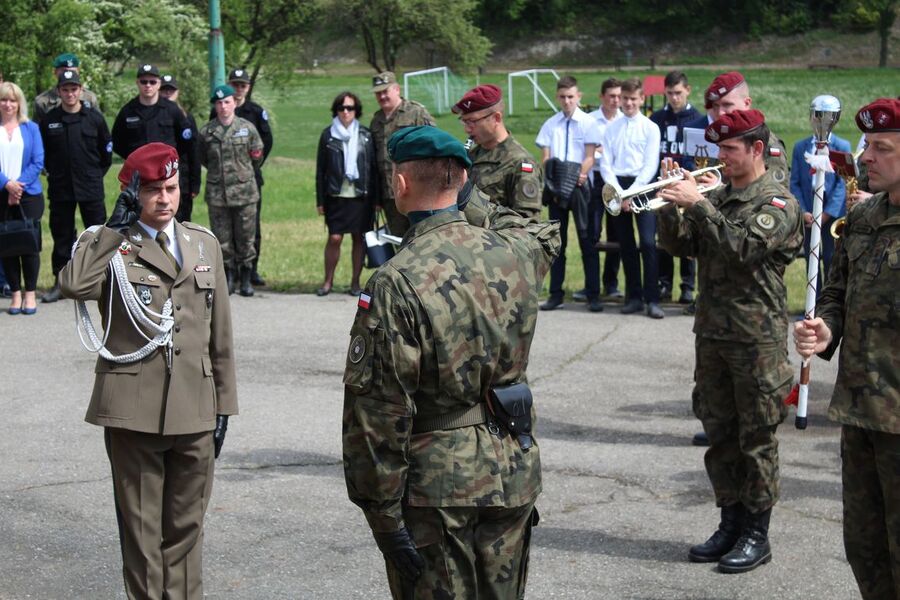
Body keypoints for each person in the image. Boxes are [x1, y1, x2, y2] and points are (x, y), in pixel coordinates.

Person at [343, 124, 559, 599]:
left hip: (440, 487)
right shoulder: (516, 253)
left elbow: (377, 412)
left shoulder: (396, 280)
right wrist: (468, 195)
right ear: (463, 180)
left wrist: (381, 513)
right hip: (512, 465)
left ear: (400, 184)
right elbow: (538, 231)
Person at [59, 142, 237, 600]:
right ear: (132, 194)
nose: (164, 198)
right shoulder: (110, 246)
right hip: (134, 413)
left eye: (172, 188)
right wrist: (111, 231)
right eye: (153, 190)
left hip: (196, 410)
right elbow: (73, 285)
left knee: (186, 532)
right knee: (142, 537)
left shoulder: (204, 244)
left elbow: (220, 336)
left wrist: (224, 407)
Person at [657, 109, 803, 573]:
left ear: (757, 150)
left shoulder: (777, 203)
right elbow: (683, 247)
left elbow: (742, 249)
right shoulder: (717, 195)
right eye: (718, 149)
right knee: (720, 434)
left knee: (755, 437)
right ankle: (729, 522)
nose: (720, 157)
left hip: (756, 339)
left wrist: (697, 204)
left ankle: (756, 533)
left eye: (729, 149)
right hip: (713, 335)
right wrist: (669, 206)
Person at [793, 98, 900, 599]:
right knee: (864, 546)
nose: (867, 158)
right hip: (859, 412)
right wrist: (826, 329)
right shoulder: (863, 218)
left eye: (882, 148)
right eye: (867, 147)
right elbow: (836, 292)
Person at [39, 70, 112, 304]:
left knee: (98, 234)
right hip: (61, 186)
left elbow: (106, 154)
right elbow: (44, 156)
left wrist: (93, 174)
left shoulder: (95, 118)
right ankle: (61, 283)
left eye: (74, 89)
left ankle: (101, 280)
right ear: (59, 92)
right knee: (62, 235)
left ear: (81, 91)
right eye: (65, 89)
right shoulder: (49, 120)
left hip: (90, 185)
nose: (70, 93)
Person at [598, 78, 665, 319]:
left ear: (641, 99)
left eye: (633, 99)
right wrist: (618, 192)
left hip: (642, 186)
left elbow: (650, 165)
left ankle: (652, 298)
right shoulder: (611, 129)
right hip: (617, 186)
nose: (628, 103)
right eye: (624, 99)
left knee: (647, 243)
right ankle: (633, 296)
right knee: (626, 245)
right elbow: (605, 164)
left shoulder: (650, 128)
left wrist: (632, 193)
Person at [536, 75, 603, 312]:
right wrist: (554, 177)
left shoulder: (588, 123)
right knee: (557, 241)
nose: (567, 101)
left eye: (571, 97)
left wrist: (574, 176)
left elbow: (589, 156)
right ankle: (556, 294)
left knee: (587, 240)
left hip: (580, 186)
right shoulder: (550, 124)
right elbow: (546, 157)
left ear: (579, 97)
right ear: (558, 97)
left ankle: (593, 294)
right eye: (563, 97)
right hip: (557, 189)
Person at [198, 84, 264, 297]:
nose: (223, 106)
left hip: (245, 193)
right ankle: (228, 276)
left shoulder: (247, 128)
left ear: (234, 103)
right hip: (219, 194)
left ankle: (246, 277)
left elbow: (256, 156)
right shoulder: (207, 131)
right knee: (222, 239)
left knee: (246, 238)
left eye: (227, 102)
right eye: (219, 103)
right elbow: (203, 159)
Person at [315, 91, 376, 296]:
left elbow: (373, 168)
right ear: (336, 111)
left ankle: (355, 284)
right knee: (334, 238)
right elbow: (320, 170)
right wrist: (320, 200)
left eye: (350, 108)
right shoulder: (328, 135)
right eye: (341, 108)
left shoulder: (366, 135)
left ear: (356, 111)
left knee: (359, 238)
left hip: (361, 196)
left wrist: (376, 199)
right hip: (335, 195)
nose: (346, 112)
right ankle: (327, 282)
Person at [216, 68, 274, 286]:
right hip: (223, 180)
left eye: (243, 85)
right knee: (227, 228)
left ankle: (251, 270)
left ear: (248, 88)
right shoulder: (220, 111)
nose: (238, 89)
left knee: (251, 227)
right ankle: (231, 271)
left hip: (250, 178)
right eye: (235, 84)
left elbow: (266, 142)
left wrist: (250, 165)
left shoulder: (256, 112)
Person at [452, 84, 542, 217]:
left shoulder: (520, 163)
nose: (467, 129)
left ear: (496, 118)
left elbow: (527, 224)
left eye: (472, 121)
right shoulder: (470, 156)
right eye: (464, 122)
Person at [650, 71, 700, 305]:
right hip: (662, 184)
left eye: (678, 92)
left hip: (687, 183)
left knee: (688, 234)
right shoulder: (657, 118)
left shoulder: (697, 120)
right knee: (665, 235)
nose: (674, 97)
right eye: (669, 93)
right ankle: (664, 283)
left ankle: (687, 286)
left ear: (688, 90)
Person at [369, 71, 434, 237]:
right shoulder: (376, 120)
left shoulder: (416, 112)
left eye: (385, 91)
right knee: (399, 240)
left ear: (397, 89)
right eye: (378, 93)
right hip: (390, 194)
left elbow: (434, 146)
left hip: (417, 190)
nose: (382, 96)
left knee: (422, 238)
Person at [0, 81, 44, 315]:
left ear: (19, 103)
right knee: (7, 245)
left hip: (29, 196)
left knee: (28, 245)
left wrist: (17, 187)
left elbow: (38, 161)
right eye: (3, 99)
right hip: (1, 194)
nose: (8, 104)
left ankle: (30, 294)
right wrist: (6, 184)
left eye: (12, 100)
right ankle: (15, 294)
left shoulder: (31, 128)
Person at [702, 71, 789, 185]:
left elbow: (777, 191)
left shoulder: (768, 143)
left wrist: (718, 189)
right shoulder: (716, 136)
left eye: (727, 105)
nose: (720, 112)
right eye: (715, 106)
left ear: (747, 103)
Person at [789, 130, 851, 288]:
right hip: (808, 207)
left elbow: (843, 183)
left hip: (831, 211)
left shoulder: (842, 145)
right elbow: (794, 182)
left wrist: (827, 213)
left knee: (832, 257)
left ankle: (829, 301)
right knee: (812, 258)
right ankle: (814, 301)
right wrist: (803, 211)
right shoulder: (800, 146)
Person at [586, 78, 623, 300]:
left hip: (616, 181)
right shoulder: (591, 121)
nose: (616, 100)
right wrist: (600, 152)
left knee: (616, 233)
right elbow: (587, 152)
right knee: (592, 232)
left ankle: (611, 283)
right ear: (602, 97)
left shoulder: (624, 121)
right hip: (595, 180)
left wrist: (602, 152)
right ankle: (591, 286)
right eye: (611, 96)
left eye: (619, 96)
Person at [111, 63, 194, 161]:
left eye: (152, 82)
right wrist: (133, 158)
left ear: (159, 84)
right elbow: (116, 142)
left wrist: (171, 157)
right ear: (137, 83)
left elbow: (186, 139)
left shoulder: (172, 109)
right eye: (144, 82)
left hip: (166, 168)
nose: (148, 85)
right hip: (138, 168)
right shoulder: (128, 111)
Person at [159, 75, 202, 223]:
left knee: (183, 222)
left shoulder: (186, 117)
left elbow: (194, 151)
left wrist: (195, 183)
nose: (167, 93)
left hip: (182, 178)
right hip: (158, 178)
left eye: (171, 90)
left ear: (177, 92)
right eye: (164, 90)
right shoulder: (154, 117)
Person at [32, 52, 100, 125]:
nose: (68, 74)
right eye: (64, 71)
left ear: (78, 71)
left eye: (72, 71)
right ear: (55, 72)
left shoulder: (89, 98)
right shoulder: (43, 101)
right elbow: (36, 132)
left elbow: (99, 125)